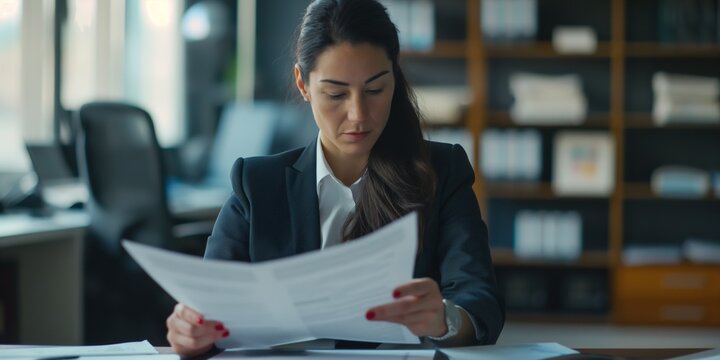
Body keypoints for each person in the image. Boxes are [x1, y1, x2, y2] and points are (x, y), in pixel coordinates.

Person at [165, 0, 504, 356]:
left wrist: (444, 318)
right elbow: (208, 310)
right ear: (303, 84)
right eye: (336, 94)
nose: (358, 115)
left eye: (375, 90)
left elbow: (481, 303)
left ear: (395, 75)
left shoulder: (441, 171)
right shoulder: (257, 184)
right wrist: (191, 332)